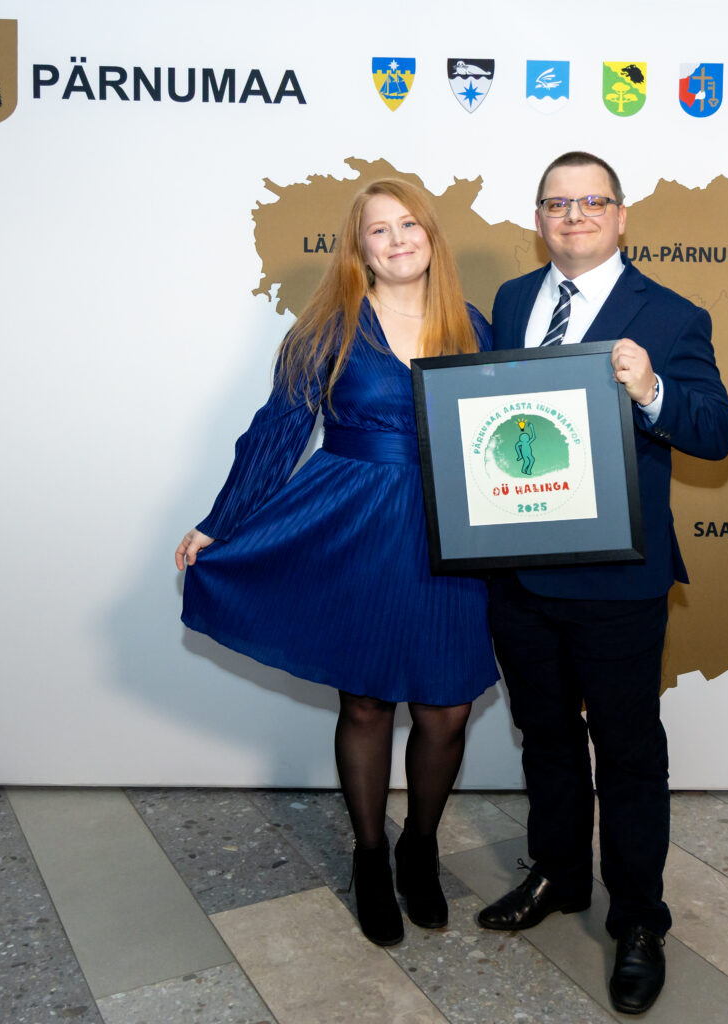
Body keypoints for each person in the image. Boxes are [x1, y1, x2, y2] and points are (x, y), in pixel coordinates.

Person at [175, 179, 499, 948]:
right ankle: (369, 855)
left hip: (451, 531)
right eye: (378, 230)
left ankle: (420, 847)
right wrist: (221, 523)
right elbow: (277, 431)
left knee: (446, 709)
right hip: (358, 524)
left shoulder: (475, 325)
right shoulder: (329, 326)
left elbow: (501, 432)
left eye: (408, 224)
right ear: (359, 249)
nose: (396, 239)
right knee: (366, 704)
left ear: (430, 236)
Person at [478, 152, 728, 1015]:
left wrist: (651, 389)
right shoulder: (512, 301)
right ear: (539, 217)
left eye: (592, 201)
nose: (574, 215)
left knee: (626, 752)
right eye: (557, 203)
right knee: (545, 737)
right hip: (520, 573)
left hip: (618, 580)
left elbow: (714, 432)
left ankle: (636, 922)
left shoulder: (671, 313)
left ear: (621, 216)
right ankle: (559, 875)